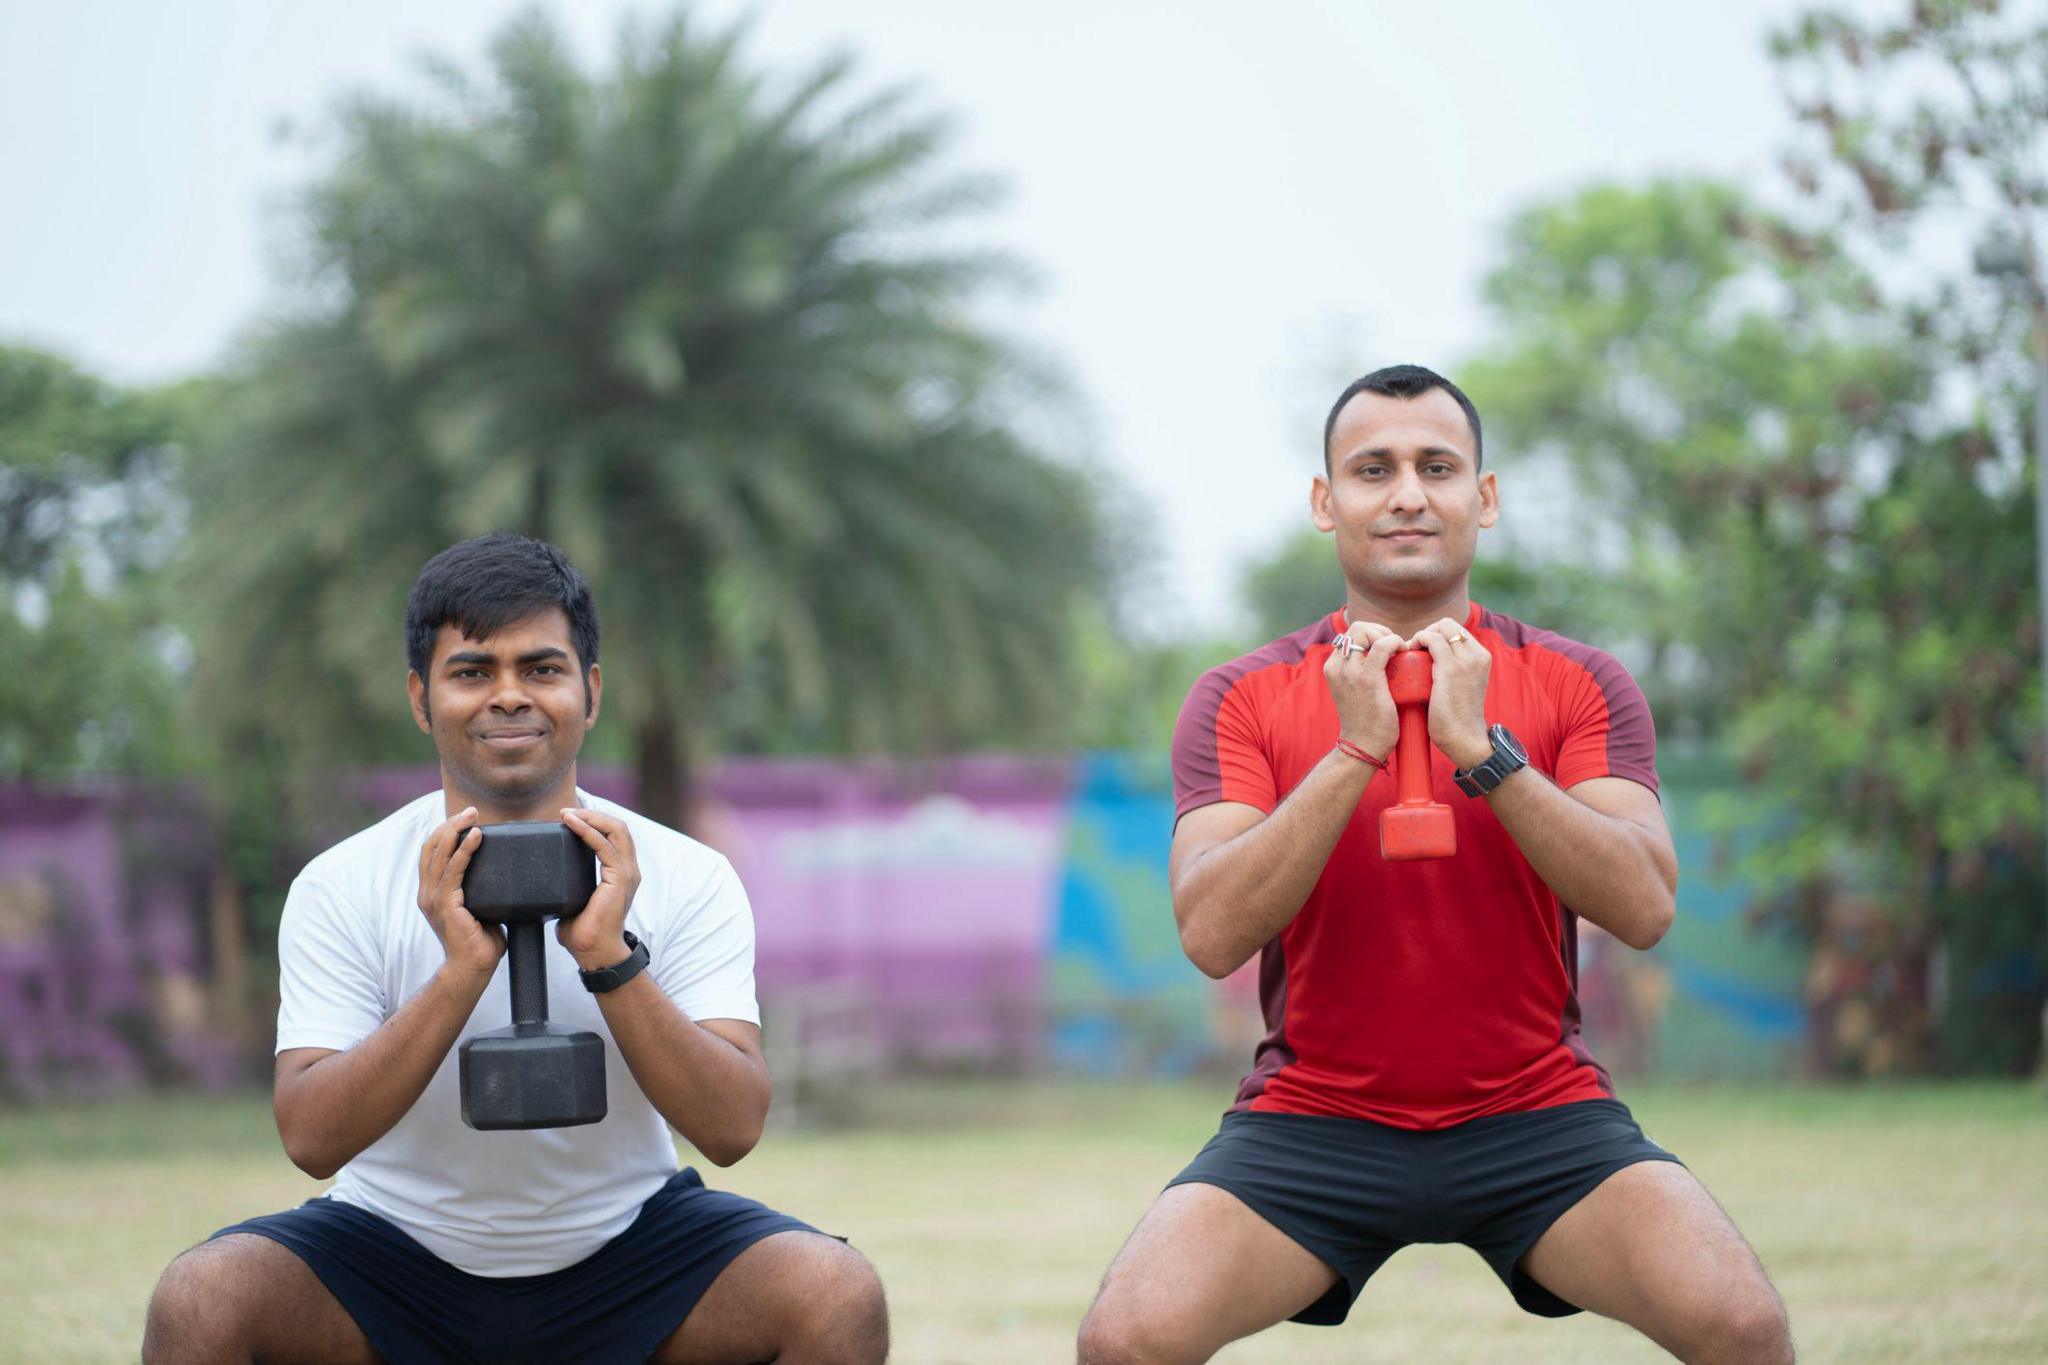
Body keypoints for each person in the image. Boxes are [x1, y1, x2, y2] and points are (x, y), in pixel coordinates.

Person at [1076, 366, 1793, 1364]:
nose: (1406, 492)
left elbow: (1644, 904)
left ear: (1482, 499)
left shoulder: (1577, 681)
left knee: (1741, 1329)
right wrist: (1352, 749)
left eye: (1436, 466)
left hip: (1534, 1111)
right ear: (1326, 503)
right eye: (1372, 469)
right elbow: (1208, 930)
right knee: (1126, 1342)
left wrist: (1483, 753)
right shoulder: (1240, 695)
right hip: (1316, 1116)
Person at [143, 533, 888, 1365]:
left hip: (627, 1245)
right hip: (394, 1249)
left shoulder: (686, 873)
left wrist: (610, 957)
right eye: (472, 671)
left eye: (540, 668)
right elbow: (311, 1139)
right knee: (202, 1300)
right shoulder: (342, 882)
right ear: (422, 699)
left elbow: (733, 1125)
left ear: (589, 691)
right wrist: (462, 970)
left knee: (832, 1292)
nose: (509, 696)